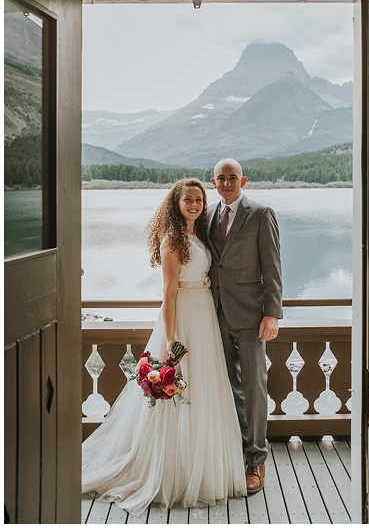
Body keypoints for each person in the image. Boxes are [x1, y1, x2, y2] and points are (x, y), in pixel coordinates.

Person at [82, 178, 247, 514]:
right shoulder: (172, 240)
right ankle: (172, 471)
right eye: (188, 199)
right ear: (176, 203)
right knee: (179, 392)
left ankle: (204, 467)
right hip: (183, 317)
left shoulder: (196, 236)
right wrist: (172, 338)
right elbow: (169, 292)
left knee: (204, 390)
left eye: (199, 200)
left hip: (204, 317)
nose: (195, 205)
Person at [208, 158, 283, 494]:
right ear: (213, 182)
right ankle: (236, 448)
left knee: (254, 387)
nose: (227, 183)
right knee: (227, 386)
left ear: (244, 180)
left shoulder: (261, 213)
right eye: (221, 178)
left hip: (253, 316)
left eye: (233, 178)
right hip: (214, 313)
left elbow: (272, 266)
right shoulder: (206, 214)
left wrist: (273, 313)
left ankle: (256, 460)